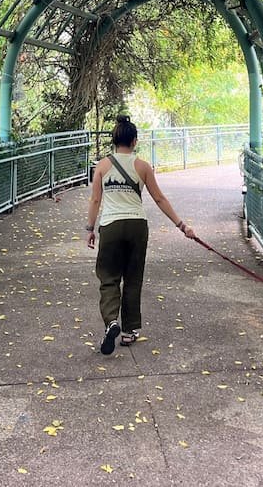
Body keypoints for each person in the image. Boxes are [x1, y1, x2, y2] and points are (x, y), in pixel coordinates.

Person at [85, 115, 197, 355]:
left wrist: (90, 229)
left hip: (111, 225)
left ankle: (111, 322)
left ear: (114, 140)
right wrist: (181, 225)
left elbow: (96, 199)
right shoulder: (143, 166)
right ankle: (129, 331)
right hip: (137, 225)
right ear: (134, 141)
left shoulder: (102, 166)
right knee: (133, 278)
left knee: (109, 278)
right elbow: (159, 198)